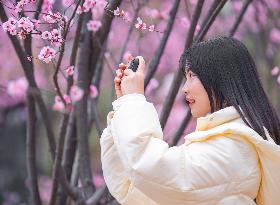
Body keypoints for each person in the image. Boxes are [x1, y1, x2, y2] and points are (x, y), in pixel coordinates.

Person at [99, 36, 280, 205]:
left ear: (221, 78)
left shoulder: (233, 148)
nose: (184, 88)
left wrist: (132, 102)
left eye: (192, 76)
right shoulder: (228, 141)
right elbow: (133, 189)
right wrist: (122, 110)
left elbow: (150, 168)